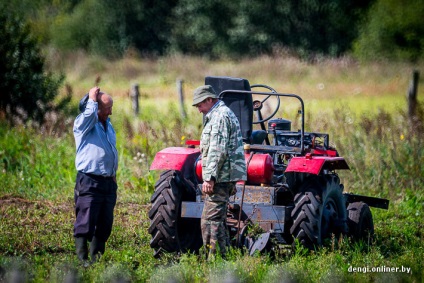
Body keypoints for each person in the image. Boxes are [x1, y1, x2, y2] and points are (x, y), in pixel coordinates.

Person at [192, 85, 247, 258]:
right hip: (224, 175)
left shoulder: (220, 116)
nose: (199, 109)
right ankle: (224, 258)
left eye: (200, 105)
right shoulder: (218, 114)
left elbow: (217, 150)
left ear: (210, 100)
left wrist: (209, 178)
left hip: (221, 177)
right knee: (218, 219)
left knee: (210, 221)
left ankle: (214, 261)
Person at [73, 86, 118, 265]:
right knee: (86, 220)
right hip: (90, 180)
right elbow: (88, 116)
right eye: (107, 108)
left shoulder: (108, 126)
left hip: (108, 182)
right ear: (95, 107)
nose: (111, 112)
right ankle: (82, 259)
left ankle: (96, 260)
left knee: (105, 223)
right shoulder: (83, 125)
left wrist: (113, 176)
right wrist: (92, 99)